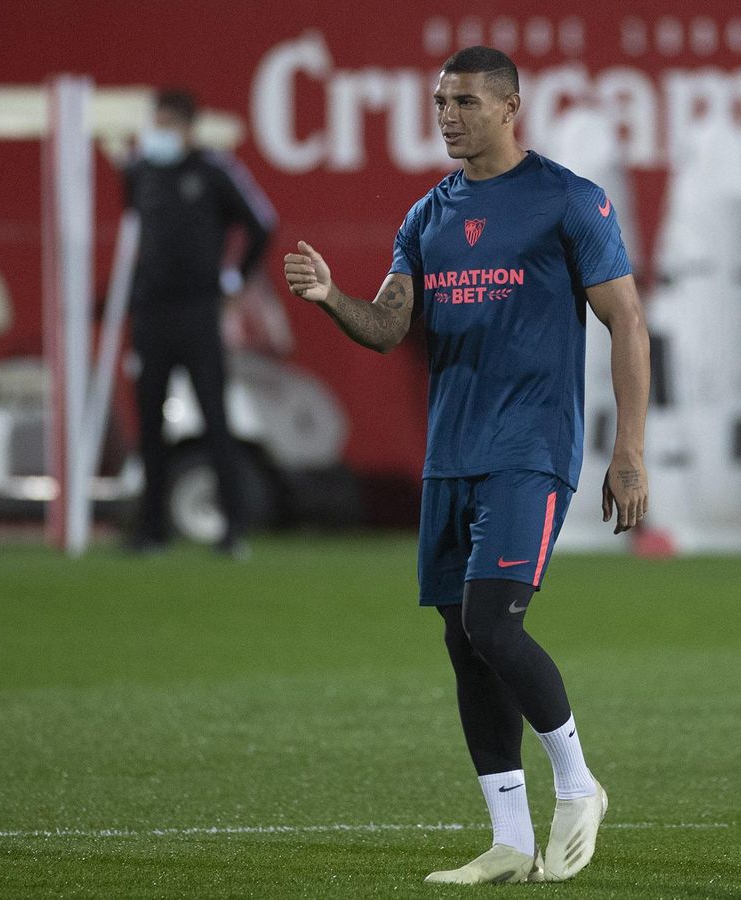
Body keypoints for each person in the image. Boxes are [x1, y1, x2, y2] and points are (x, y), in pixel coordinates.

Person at [283, 46, 650, 885]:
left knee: (492, 622)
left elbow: (627, 322)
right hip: (450, 459)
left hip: (530, 453)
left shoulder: (568, 199)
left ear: (511, 106)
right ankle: (509, 841)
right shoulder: (427, 217)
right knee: (462, 642)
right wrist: (331, 298)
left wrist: (627, 452)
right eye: (440, 100)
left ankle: (579, 784)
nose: (448, 115)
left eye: (466, 101)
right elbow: (386, 326)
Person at [125, 88, 275, 557]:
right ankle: (151, 530)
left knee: (215, 417)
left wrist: (233, 283)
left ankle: (232, 530)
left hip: (198, 311)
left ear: (189, 128)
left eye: (168, 124)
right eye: (156, 123)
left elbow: (261, 224)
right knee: (149, 422)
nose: (159, 134)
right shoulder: (140, 171)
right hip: (150, 312)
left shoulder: (214, 172)